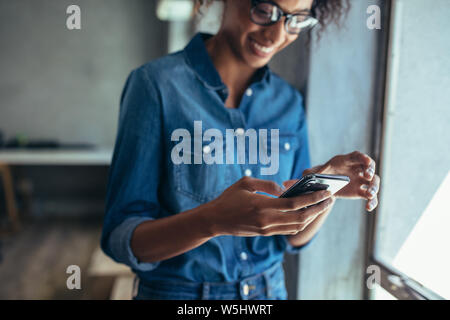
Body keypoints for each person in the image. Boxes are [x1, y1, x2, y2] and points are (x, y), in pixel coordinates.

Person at [101, 0, 381, 300]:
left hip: (269, 292)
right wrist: (212, 221)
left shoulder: (288, 103)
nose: (276, 36)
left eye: (296, 21)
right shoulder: (155, 86)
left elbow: (292, 239)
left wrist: (325, 193)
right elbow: (122, 238)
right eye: (264, 12)